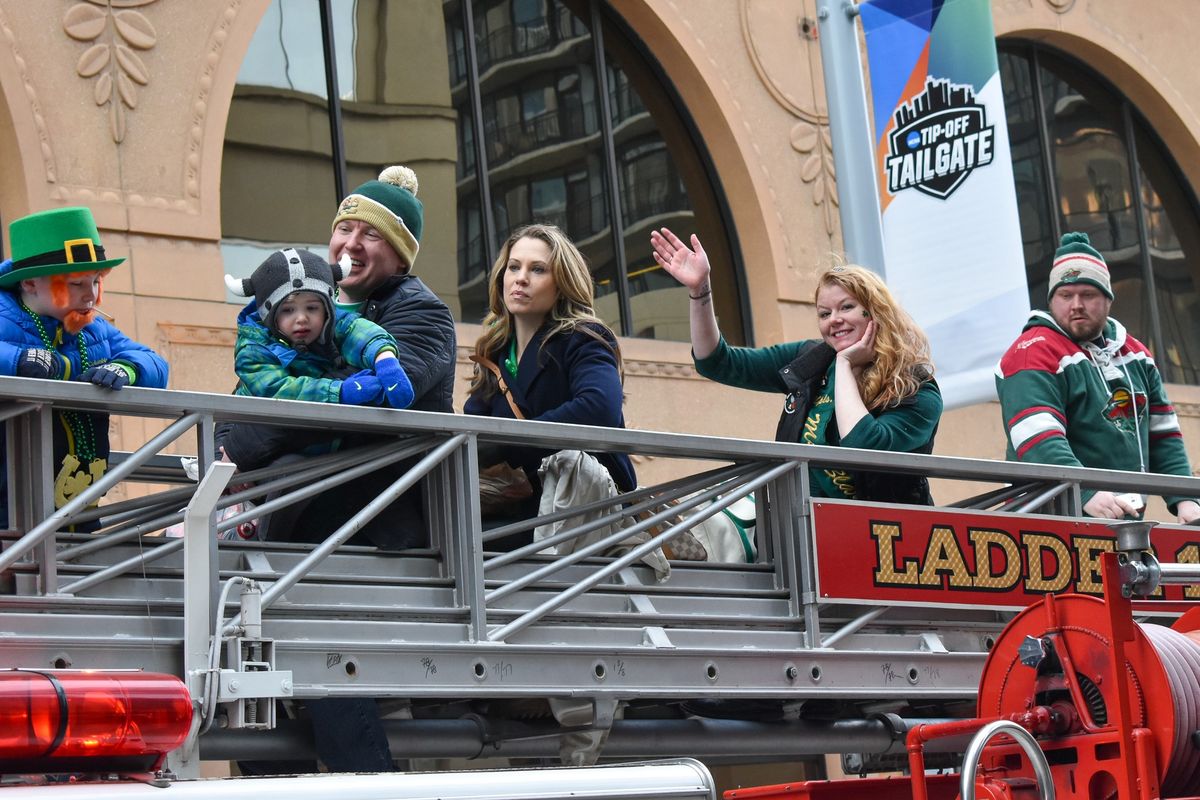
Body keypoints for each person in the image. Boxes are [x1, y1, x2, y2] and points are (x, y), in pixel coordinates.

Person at [650, 227, 941, 504]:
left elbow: (864, 449)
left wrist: (844, 364)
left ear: (875, 312)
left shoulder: (916, 389)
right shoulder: (811, 358)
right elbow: (716, 362)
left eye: (847, 307)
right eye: (824, 313)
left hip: (879, 542)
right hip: (798, 531)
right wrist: (700, 289)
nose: (834, 320)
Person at [996, 232, 1200, 523]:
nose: (1076, 304)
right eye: (1065, 295)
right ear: (1052, 300)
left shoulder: (1137, 355)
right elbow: (1038, 439)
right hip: (1047, 521)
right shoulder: (1031, 351)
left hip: (1121, 518)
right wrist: (1087, 491)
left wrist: (1186, 499)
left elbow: (1163, 435)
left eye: (1088, 294)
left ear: (1108, 299)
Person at [0, 206, 168, 528]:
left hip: (78, 502)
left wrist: (126, 370)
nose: (91, 295)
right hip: (10, 513)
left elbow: (155, 363)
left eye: (96, 281)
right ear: (32, 283)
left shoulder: (93, 327)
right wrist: (17, 361)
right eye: (76, 283)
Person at [464, 223, 636, 537]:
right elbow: (474, 433)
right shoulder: (495, 353)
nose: (521, 278)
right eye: (513, 267)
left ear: (562, 284)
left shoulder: (584, 338)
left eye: (538, 269)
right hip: (515, 506)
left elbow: (599, 409)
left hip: (582, 510)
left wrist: (506, 445)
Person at [214, 246, 413, 482]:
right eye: (288, 309)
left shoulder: (331, 324)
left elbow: (355, 330)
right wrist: (339, 392)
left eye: (312, 307)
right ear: (270, 316)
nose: (301, 318)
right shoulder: (252, 349)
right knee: (281, 486)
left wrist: (385, 359)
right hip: (255, 453)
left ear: (327, 309)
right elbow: (279, 392)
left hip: (313, 454)